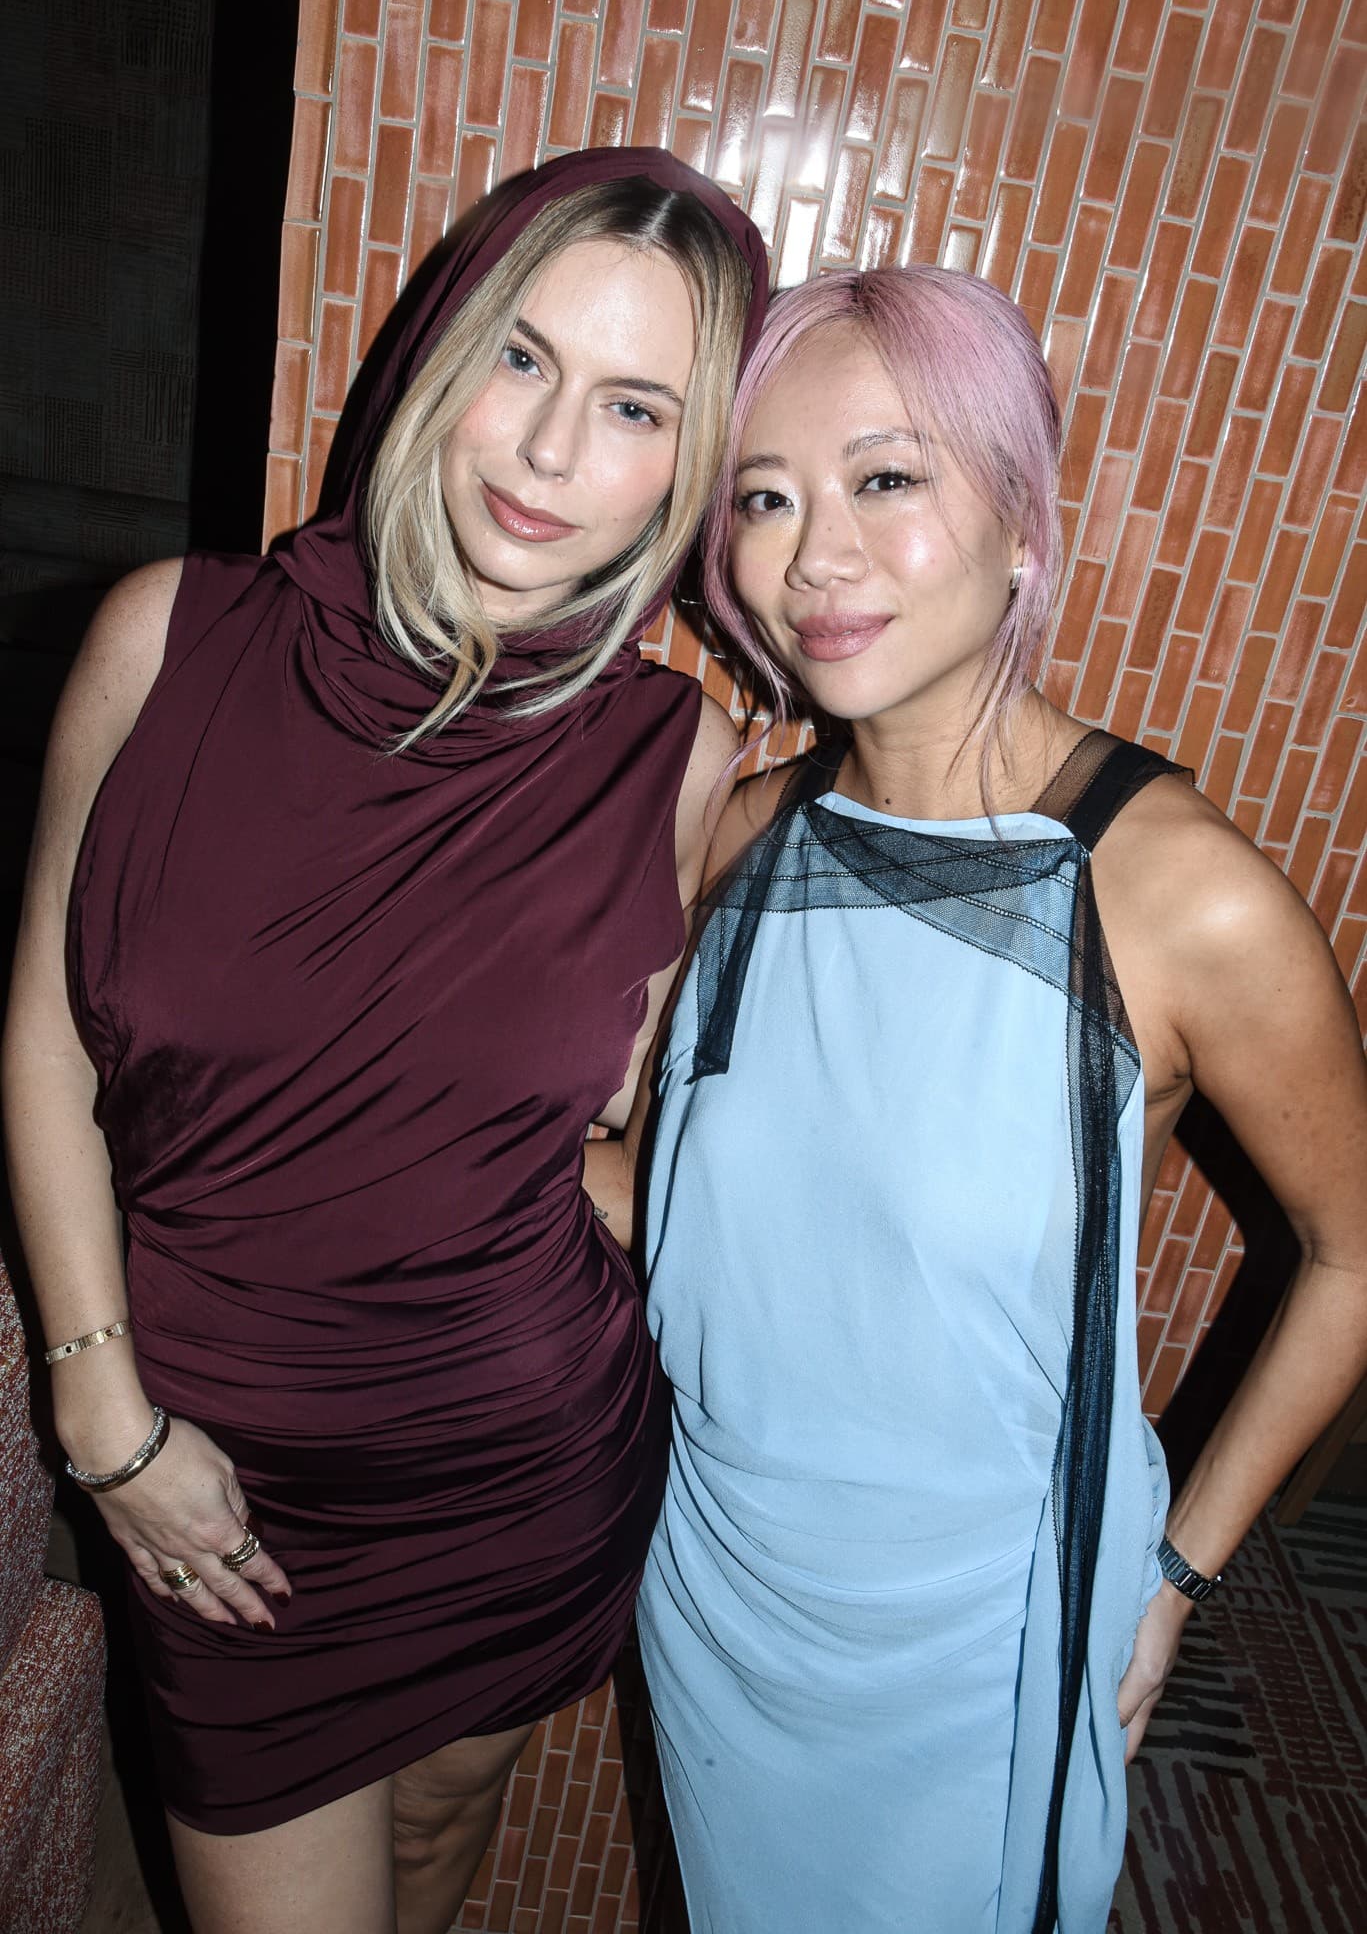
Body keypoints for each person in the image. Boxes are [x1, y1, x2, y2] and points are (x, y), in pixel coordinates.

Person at [2, 147, 766, 1934]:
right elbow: (42, 1042)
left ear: (687, 467)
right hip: (210, 1473)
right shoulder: (167, 638)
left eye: (635, 406)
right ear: (437, 351)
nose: (550, 450)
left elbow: (620, 1122)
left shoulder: (676, 759)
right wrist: (101, 1407)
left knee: (435, 1846)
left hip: (516, 1472)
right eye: (521, 357)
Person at [596, 267, 1367, 1932]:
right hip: (716, 1583)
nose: (818, 557)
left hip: (978, 1648)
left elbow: (1354, 1256)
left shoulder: (1177, 898)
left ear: (1023, 518)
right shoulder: (746, 841)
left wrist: (1176, 1573)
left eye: (886, 478)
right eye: (765, 499)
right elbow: (674, 1204)